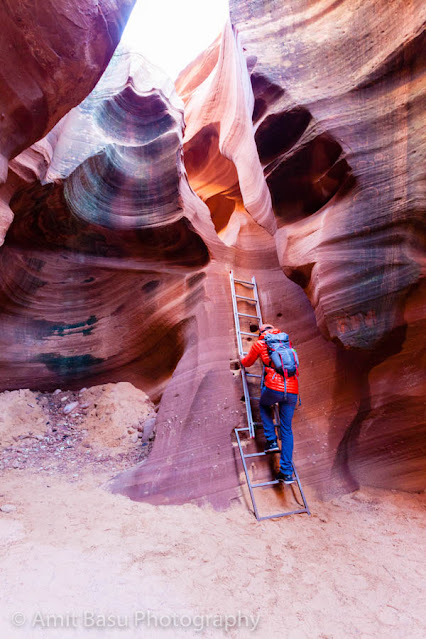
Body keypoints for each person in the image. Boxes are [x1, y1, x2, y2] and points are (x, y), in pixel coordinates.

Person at [240, 323, 299, 484]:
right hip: (292, 390)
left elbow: (247, 362)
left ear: (261, 332)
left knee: (264, 405)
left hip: (274, 388)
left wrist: (240, 359)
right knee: (287, 430)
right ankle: (286, 473)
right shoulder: (287, 342)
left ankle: (271, 440)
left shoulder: (260, 343)